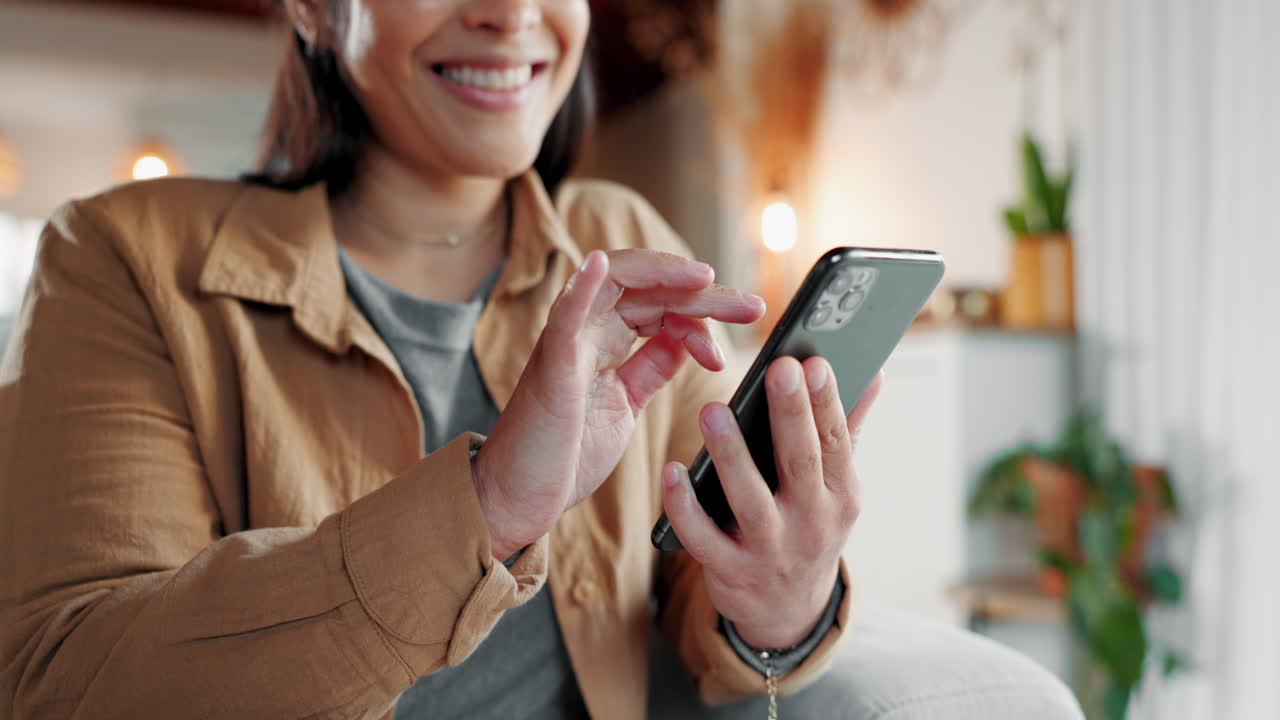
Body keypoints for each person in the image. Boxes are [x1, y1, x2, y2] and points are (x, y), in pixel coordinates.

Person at [0, 1, 1084, 719]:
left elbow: (697, 610)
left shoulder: (619, 234)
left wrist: (779, 601)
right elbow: (65, 680)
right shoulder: (126, 258)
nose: (510, 13)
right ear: (311, 7)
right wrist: (484, 507)